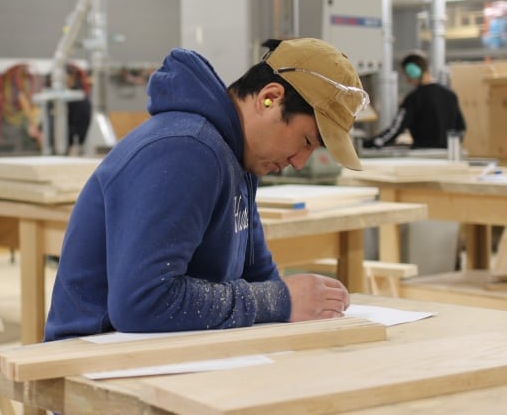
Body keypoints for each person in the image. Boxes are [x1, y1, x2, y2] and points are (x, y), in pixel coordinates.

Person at [44, 37, 368, 342]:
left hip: (168, 350)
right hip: (97, 363)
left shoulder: (241, 160)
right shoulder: (187, 150)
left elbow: (258, 275)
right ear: (270, 98)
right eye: (307, 141)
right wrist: (280, 300)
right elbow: (142, 303)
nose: (300, 162)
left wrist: (303, 302)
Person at [364, 50, 466, 149]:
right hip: (447, 155)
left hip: (423, 156)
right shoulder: (450, 94)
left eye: (406, 74)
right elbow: (461, 128)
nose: (407, 79)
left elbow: (396, 129)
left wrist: (371, 143)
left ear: (413, 71)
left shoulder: (414, 98)